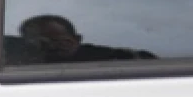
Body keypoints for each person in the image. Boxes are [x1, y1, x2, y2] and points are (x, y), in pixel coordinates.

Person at [12, 14, 156, 64]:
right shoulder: (16, 63)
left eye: (59, 40)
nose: (52, 46)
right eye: (42, 42)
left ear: (77, 39)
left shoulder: (107, 58)